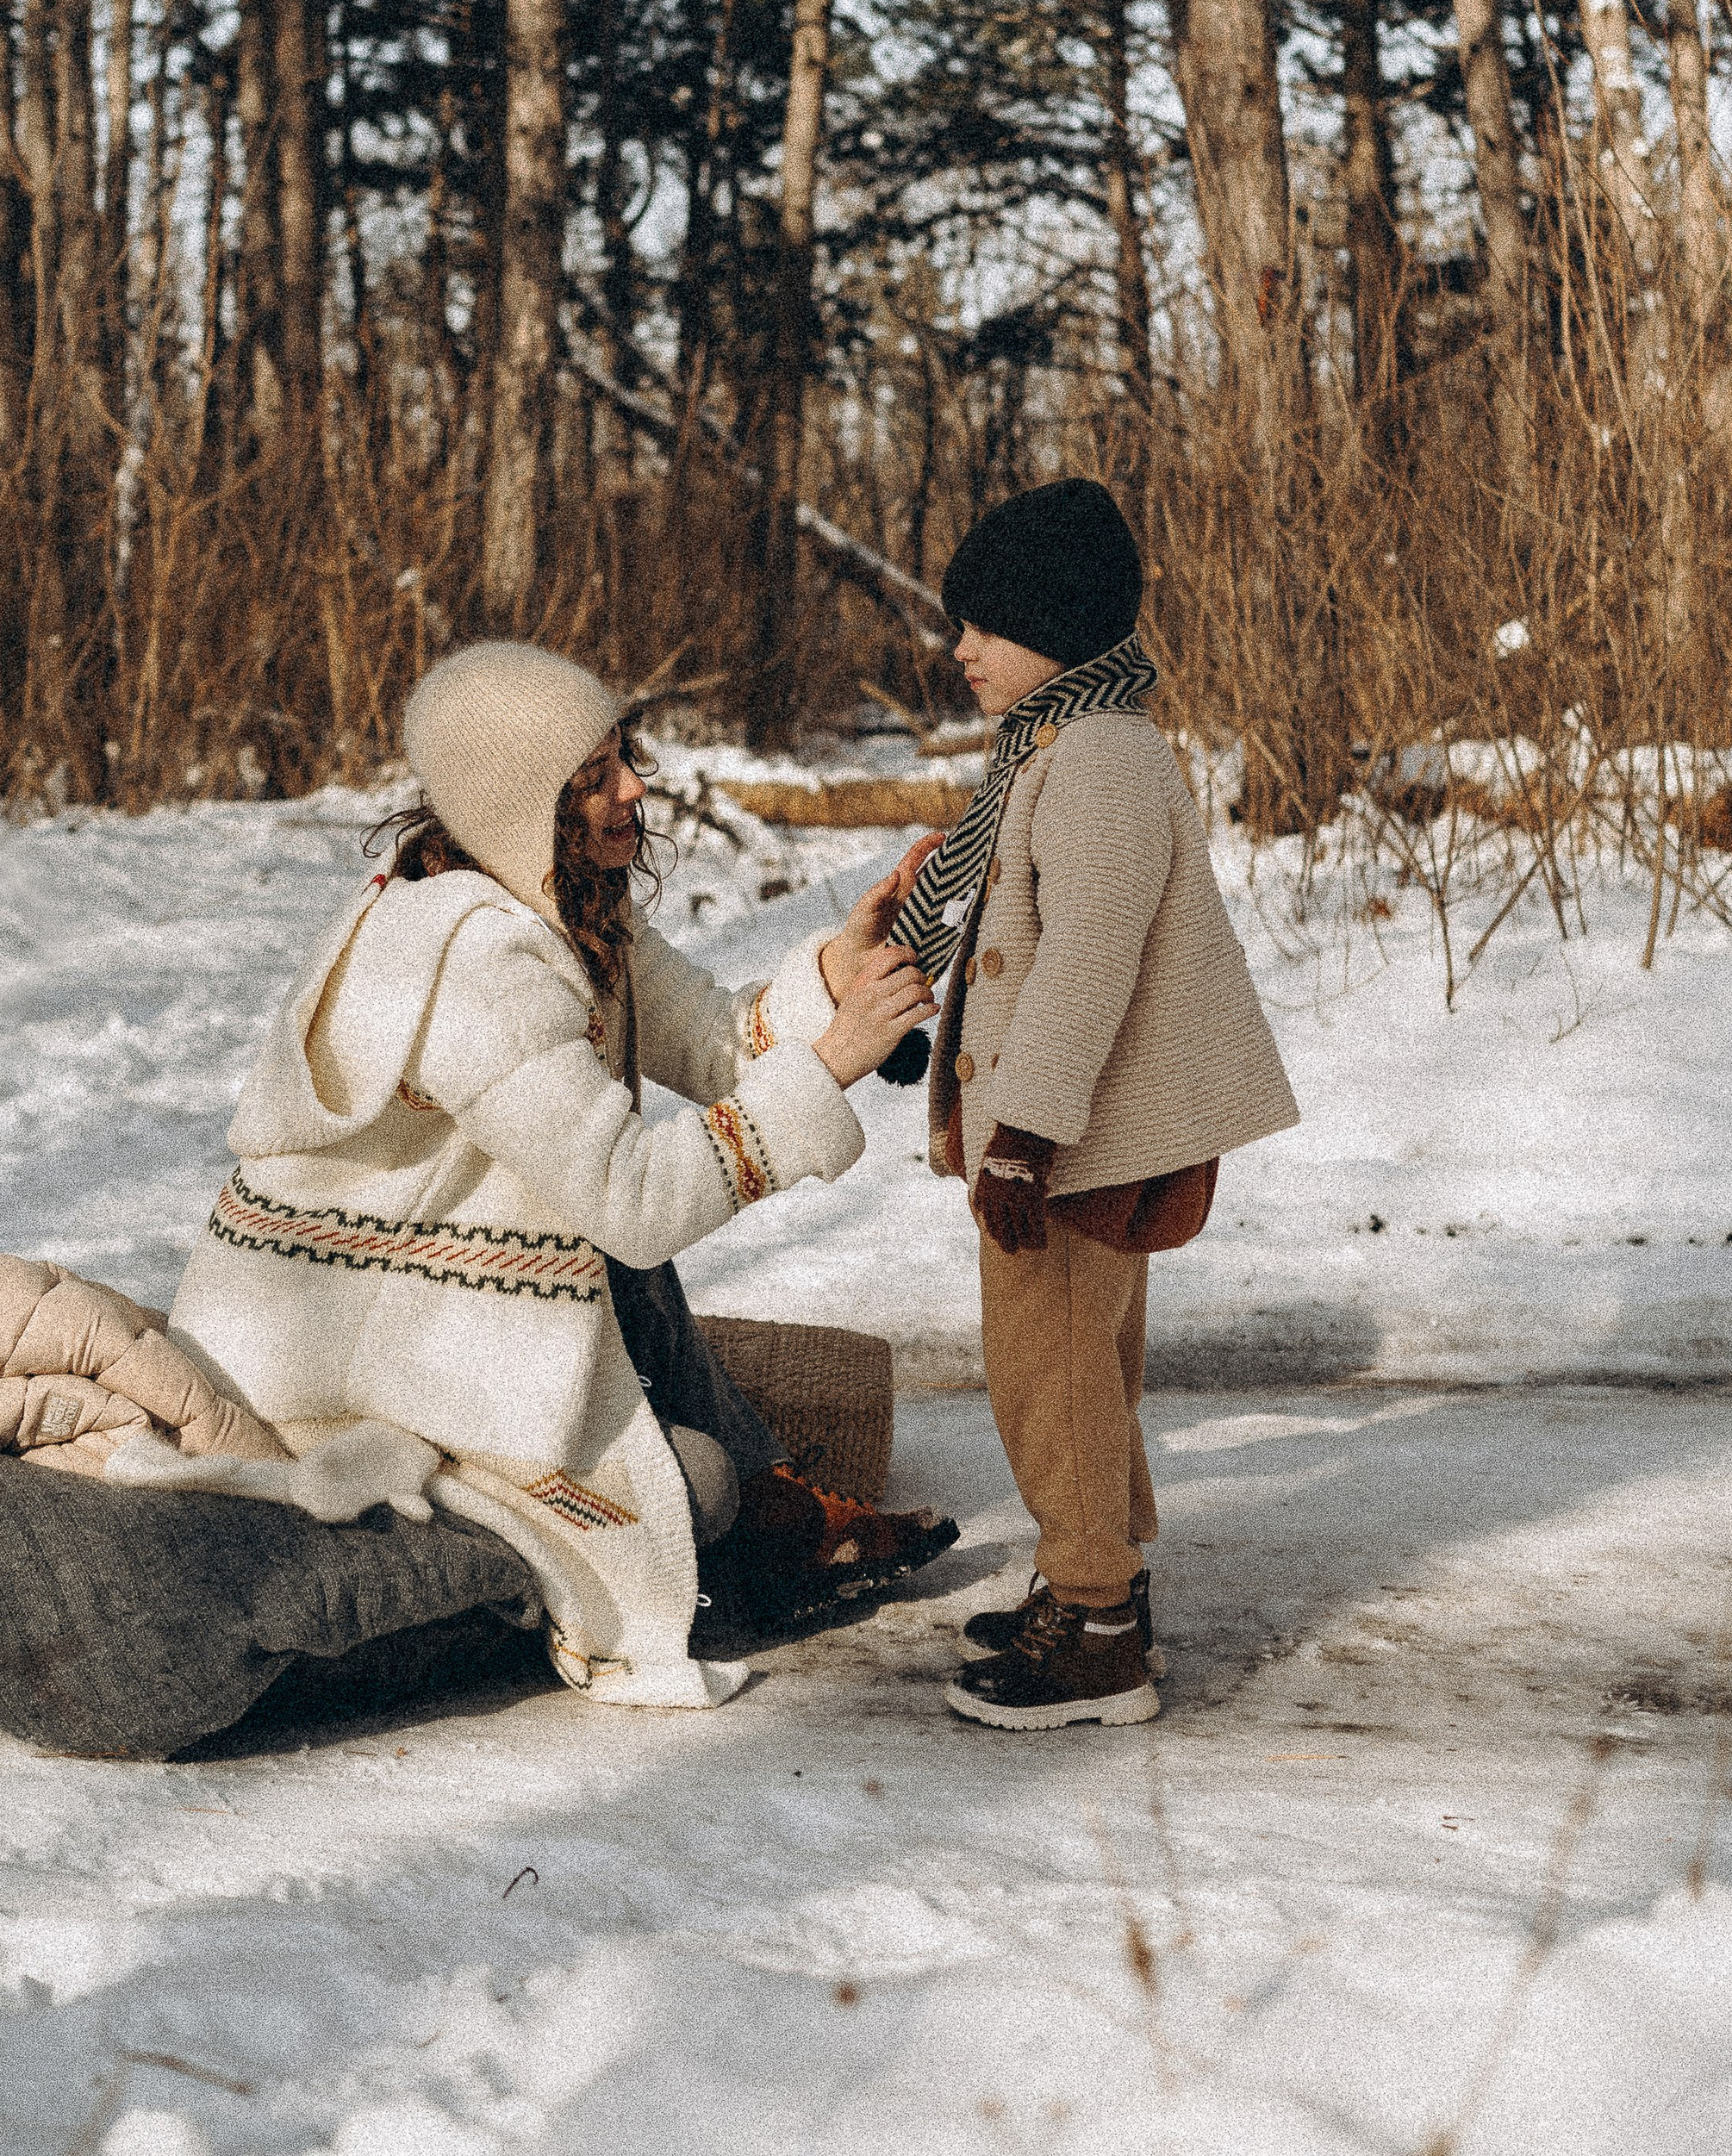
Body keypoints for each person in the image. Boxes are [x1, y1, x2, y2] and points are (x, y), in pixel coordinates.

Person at [166, 639, 952, 1710]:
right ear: (516, 804)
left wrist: (836, 971)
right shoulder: (475, 963)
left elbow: (718, 1040)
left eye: (622, 753)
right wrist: (829, 1062)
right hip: (342, 1344)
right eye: (591, 777)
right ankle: (749, 1502)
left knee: (611, 1232)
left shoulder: (569, 907)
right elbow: (635, 1204)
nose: (633, 784)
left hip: (434, 1296)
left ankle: (773, 1506)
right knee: (686, 1491)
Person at [886, 480, 1299, 1732]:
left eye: (984, 625)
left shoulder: (1102, 758)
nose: (959, 649)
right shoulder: (1066, 743)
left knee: (1049, 1375)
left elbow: (1088, 957)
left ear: (1054, 626)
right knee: (1087, 1373)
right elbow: (1015, 935)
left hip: (1073, 1148)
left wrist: (1025, 1136)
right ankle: (1095, 1580)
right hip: (1074, 1138)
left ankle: (1096, 1627)